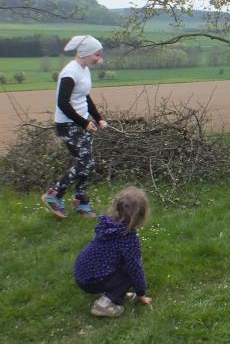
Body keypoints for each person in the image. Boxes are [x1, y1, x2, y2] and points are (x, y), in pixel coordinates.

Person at [41, 35, 107, 219]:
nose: (100, 58)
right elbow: (63, 103)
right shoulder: (70, 73)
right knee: (86, 162)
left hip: (81, 122)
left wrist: (98, 118)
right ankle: (54, 195)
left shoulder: (84, 69)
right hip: (68, 125)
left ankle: (81, 202)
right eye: (97, 54)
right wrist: (84, 122)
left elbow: (84, 96)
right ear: (86, 53)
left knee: (86, 163)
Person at [73, 187, 153, 317]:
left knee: (122, 264)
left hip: (81, 272)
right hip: (92, 280)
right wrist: (141, 293)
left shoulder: (107, 225)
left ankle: (113, 289)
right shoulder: (128, 238)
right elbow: (135, 269)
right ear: (140, 215)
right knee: (130, 271)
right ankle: (105, 303)